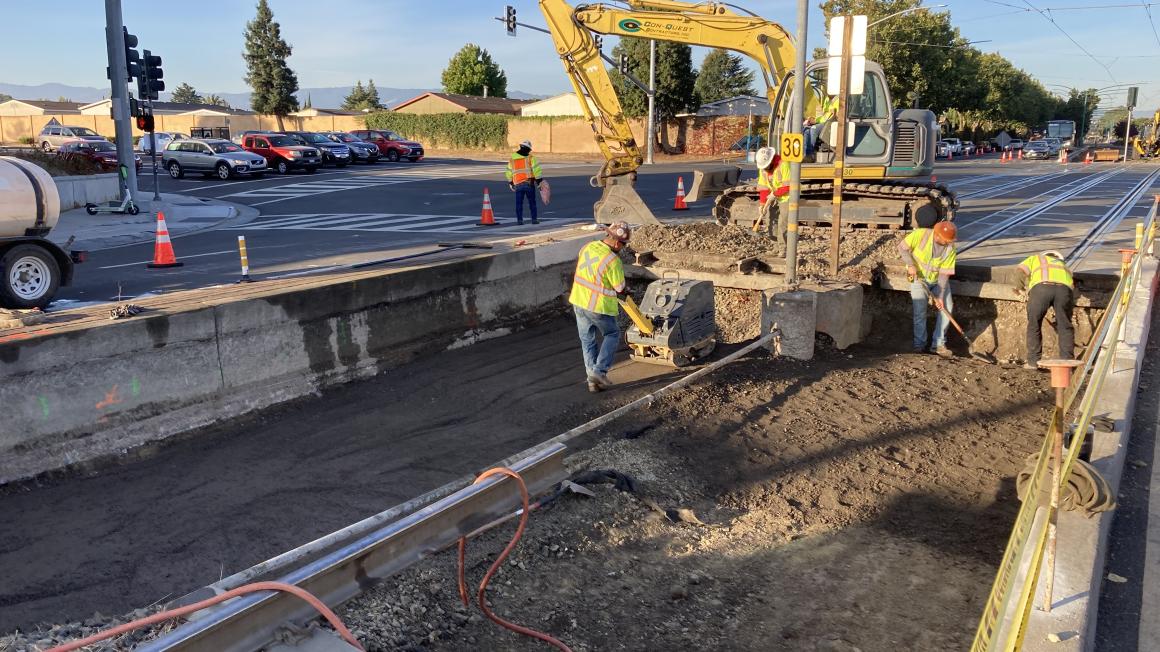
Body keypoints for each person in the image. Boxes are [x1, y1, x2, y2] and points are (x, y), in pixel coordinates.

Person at [569, 221, 630, 393]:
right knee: (612, 334)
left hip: (578, 301)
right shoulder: (613, 260)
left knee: (587, 340)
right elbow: (619, 288)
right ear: (618, 242)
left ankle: (592, 381)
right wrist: (627, 290)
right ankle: (599, 371)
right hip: (597, 306)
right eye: (623, 245)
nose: (623, 248)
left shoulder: (588, 247)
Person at [898, 220, 958, 358]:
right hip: (918, 278)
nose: (948, 242)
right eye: (946, 240)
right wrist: (910, 265)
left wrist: (940, 296)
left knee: (946, 307)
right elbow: (902, 247)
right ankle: (919, 345)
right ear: (937, 236)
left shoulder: (950, 248)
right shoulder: (920, 234)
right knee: (920, 311)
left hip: (937, 280)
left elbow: (944, 274)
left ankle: (938, 344)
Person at [1016, 250, 1075, 370]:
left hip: (1041, 289)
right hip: (1064, 291)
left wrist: (1019, 289)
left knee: (1034, 324)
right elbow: (1071, 290)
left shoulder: (1036, 259)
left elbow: (1020, 271)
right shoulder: (1064, 266)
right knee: (1065, 326)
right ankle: (1067, 362)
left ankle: (1033, 362)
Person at [754, 146, 791, 246]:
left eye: (766, 166)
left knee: (782, 224)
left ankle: (783, 249)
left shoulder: (783, 165)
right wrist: (762, 204)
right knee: (771, 221)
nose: (765, 169)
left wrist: (774, 194)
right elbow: (764, 187)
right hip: (773, 197)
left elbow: (788, 186)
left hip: (786, 197)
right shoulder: (763, 169)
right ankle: (775, 246)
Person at [505, 139, 543, 225]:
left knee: (519, 203)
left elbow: (508, 172)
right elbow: (536, 171)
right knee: (532, 203)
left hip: (518, 184)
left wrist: (510, 182)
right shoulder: (531, 158)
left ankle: (520, 220)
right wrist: (539, 182)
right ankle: (534, 219)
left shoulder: (512, 159)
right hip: (529, 183)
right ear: (528, 149)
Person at [804, 92, 839, 157]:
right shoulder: (827, 99)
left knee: (813, 129)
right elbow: (824, 115)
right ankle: (805, 154)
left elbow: (838, 116)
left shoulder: (839, 100)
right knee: (806, 130)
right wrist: (814, 120)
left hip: (831, 123)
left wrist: (836, 114)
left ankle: (810, 154)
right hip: (823, 122)